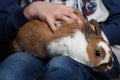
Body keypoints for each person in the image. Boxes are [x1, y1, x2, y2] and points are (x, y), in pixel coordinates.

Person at [0, 0, 120, 80]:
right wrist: (29, 11)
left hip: (96, 48)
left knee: (61, 68)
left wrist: (97, 39)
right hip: (35, 49)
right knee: (11, 70)